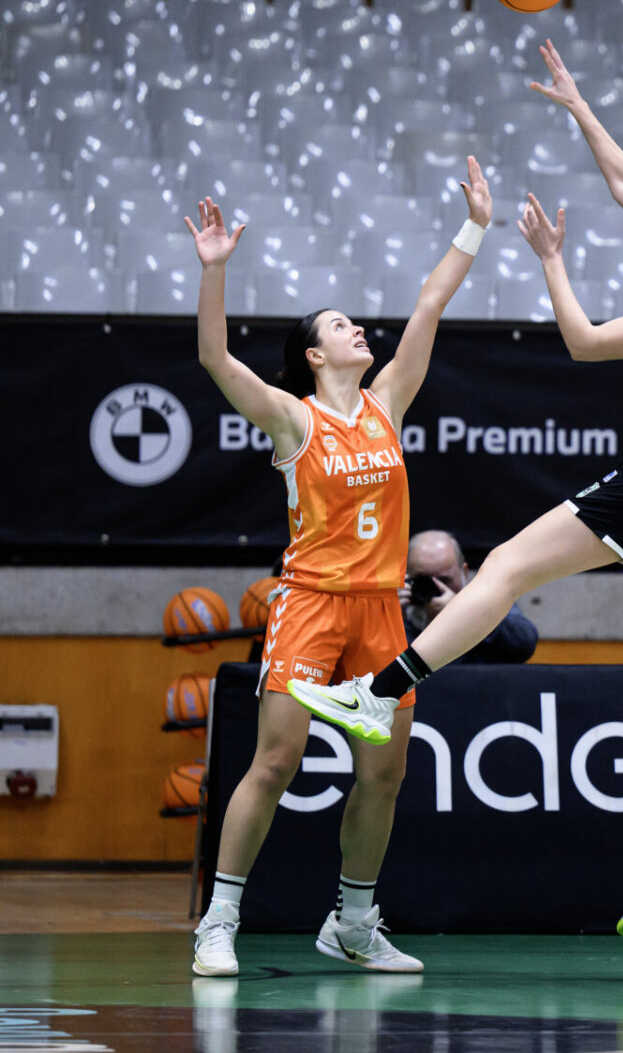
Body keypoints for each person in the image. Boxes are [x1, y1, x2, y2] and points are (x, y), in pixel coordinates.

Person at [287, 39, 623, 941]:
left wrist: (551, 258)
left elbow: (584, 344)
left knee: (507, 568)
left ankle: (381, 689)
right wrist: (579, 107)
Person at [188, 156, 493, 977]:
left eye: (355, 322)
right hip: (310, 604)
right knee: (276, 761)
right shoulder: (293, 419)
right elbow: (216, 359)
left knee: (385, 774)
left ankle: (353, 923)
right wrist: (214, 271)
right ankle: (220, 920)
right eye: (338, 325)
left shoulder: (388, 402)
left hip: (381, 612)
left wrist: (474, 226)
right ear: (314, 356)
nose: (357, 329)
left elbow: (429, 304)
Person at [401, 529, 538, 663]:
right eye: (423, 581)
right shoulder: (399, 609)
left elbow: (525, 644)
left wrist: (467, 613)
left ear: (464, 572)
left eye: (444, 580)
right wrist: (391, 618)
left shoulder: (486, 598)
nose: (435, 588)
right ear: (406, 577)